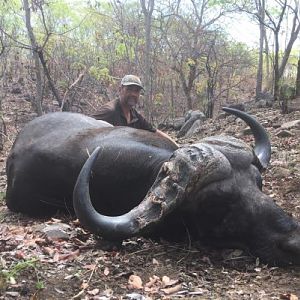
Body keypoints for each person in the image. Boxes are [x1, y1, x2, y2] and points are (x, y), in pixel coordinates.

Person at [92, 74, 178, 146]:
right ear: (120, 89)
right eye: (129, 89)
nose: (133, 94)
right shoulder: (110, 111)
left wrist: (176, 147)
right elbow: (87, 130)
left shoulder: (134, 115)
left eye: (136, 91)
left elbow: (154, 131)